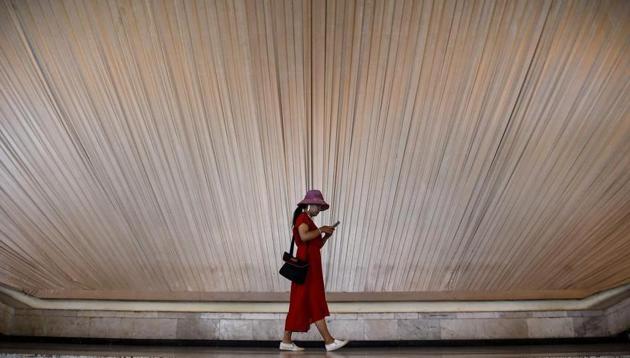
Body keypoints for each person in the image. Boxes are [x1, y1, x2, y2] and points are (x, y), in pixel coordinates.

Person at [279, 190, 349, 352]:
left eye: (319, 206)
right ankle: (329, 341)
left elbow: (314, 246)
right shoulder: (303, 218)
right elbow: (303, 237)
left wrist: (324, 237)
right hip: (307, 268)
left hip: (310, 267)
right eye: (317, 206)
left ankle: (286, 341)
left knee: (300, 303)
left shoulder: (308, 220)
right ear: (309, 205)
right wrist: (322, 229)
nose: (318, 209)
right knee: (313, 301)